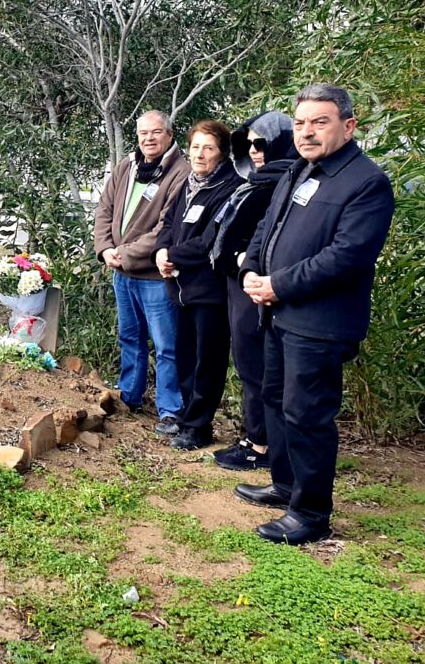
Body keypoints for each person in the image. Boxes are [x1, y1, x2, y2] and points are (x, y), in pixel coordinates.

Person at [236, 84, 394, 545]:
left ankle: (309, 514)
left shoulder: (366, 182)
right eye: (300, 123)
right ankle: (285, 486)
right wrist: (251, 267)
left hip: (319, 323)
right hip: (279, 315)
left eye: (319, 122)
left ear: (348, 125)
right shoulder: (301, 170)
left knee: (308, 414)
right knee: (276, 401)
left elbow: (347, 256)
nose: (306, 132)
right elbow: (271, 224)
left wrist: (277, 284)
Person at [208, 112, 298, 471]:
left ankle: (261, 443)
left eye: (262, 143)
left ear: (281, 143)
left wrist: (245, 256)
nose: (255, 151)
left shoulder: (284, 182)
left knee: (257, 366)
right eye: (248, 143)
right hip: (237, 281)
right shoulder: (256, 180)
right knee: (248, 363)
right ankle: (256, 436)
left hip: (258, 287)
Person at [93, 111, 191, 435]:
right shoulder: (127, 166)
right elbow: (104, 209)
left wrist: (123, 254)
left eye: (156, 132)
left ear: (170, 134)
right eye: (143, 133)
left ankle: (170, 411)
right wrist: (105, 248)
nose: (148, 139)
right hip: (121, 273)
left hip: (154, 277)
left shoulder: (181, 172)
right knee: (129, 337)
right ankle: (130, 396)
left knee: (166, 345)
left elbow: (167, 228)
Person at [154, 121, 243, 451]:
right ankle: (187, 416)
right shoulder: (188, 185)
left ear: (222, 153)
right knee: (185, 356)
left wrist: (172, 254)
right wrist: (161, 251)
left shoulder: (230, 187)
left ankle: (200, 427)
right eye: (195, 147)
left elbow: (212, 240)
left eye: (208, 148)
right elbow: (167, 223)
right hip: (179, 288)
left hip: (210, 290)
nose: (199, 154)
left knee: (208, 359)